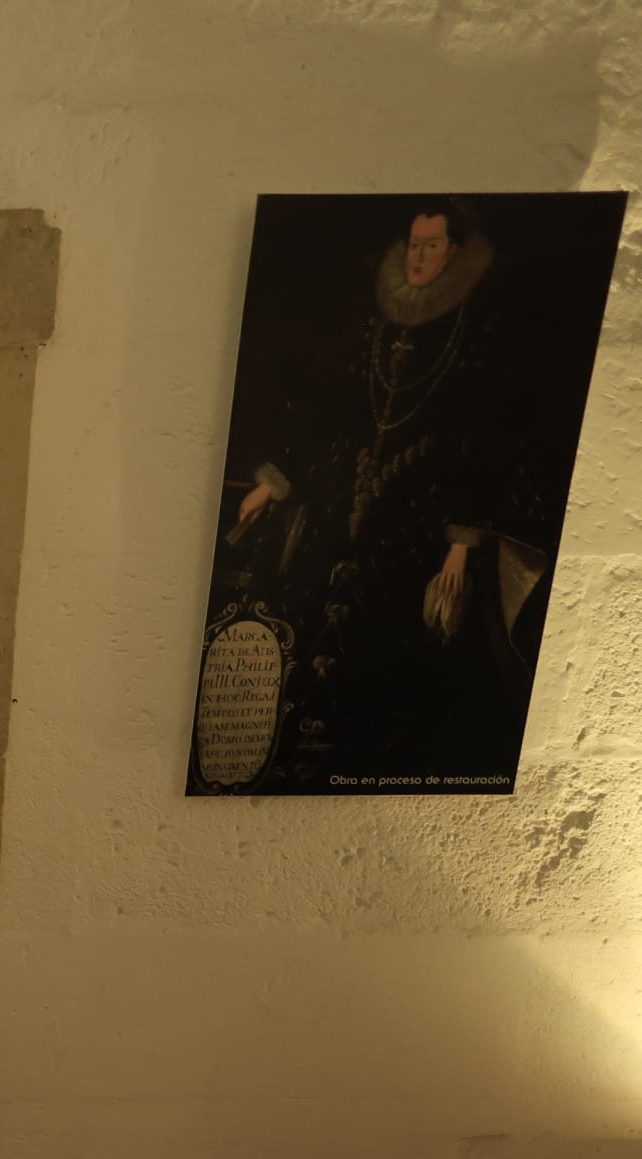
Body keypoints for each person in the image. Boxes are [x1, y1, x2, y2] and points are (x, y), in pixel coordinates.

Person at [228, 199, 557, 785]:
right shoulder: (375, 322)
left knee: (394, 660)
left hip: (421, 519)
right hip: (342, 508)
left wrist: (460, 541)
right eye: (414, 244)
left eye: (432, 246)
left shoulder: (475, 327)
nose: (420, 256)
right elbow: (327, 412)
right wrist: (271, 484)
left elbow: (485, 438)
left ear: (452, 252)